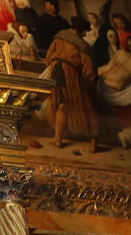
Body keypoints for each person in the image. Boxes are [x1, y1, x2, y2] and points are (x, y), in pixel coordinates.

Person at [42, 18, 100, 149]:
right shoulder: (83, 45)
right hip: (70, 75)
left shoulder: (60, 37)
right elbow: (89, 71)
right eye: (85, 32)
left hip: (55, 72)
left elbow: (49, 56)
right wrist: (90, 83)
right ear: (81, 31)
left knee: (63, 104)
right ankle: (93, 143)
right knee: (86, 105)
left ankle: (57, 139)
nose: (85, 35)